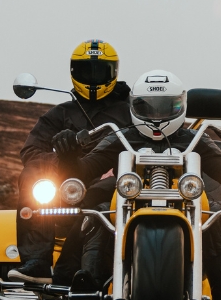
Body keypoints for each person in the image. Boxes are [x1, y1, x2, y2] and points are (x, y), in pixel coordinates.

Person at [65, 69, 221, 300]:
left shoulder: (195, 138)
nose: (157, 116)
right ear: (133, 106)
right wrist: (69, 155)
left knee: (218, 214)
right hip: (128, 204)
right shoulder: (120, 136)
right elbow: (84, 171)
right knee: (100, 213)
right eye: (147, 107)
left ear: (181, 105)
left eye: (167, 107)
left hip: (189, 205)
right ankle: (92, 294)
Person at [8, 39, 132, 285]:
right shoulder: (60, 114)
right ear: (75, 73)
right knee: (33, 174)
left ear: (114, 73)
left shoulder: (131, 112)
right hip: (65, 193)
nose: (94, 78)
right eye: (87, 71)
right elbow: (30, 151)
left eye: (101, 72)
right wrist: (64, 157)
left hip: (118, 190)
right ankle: (38, 261)